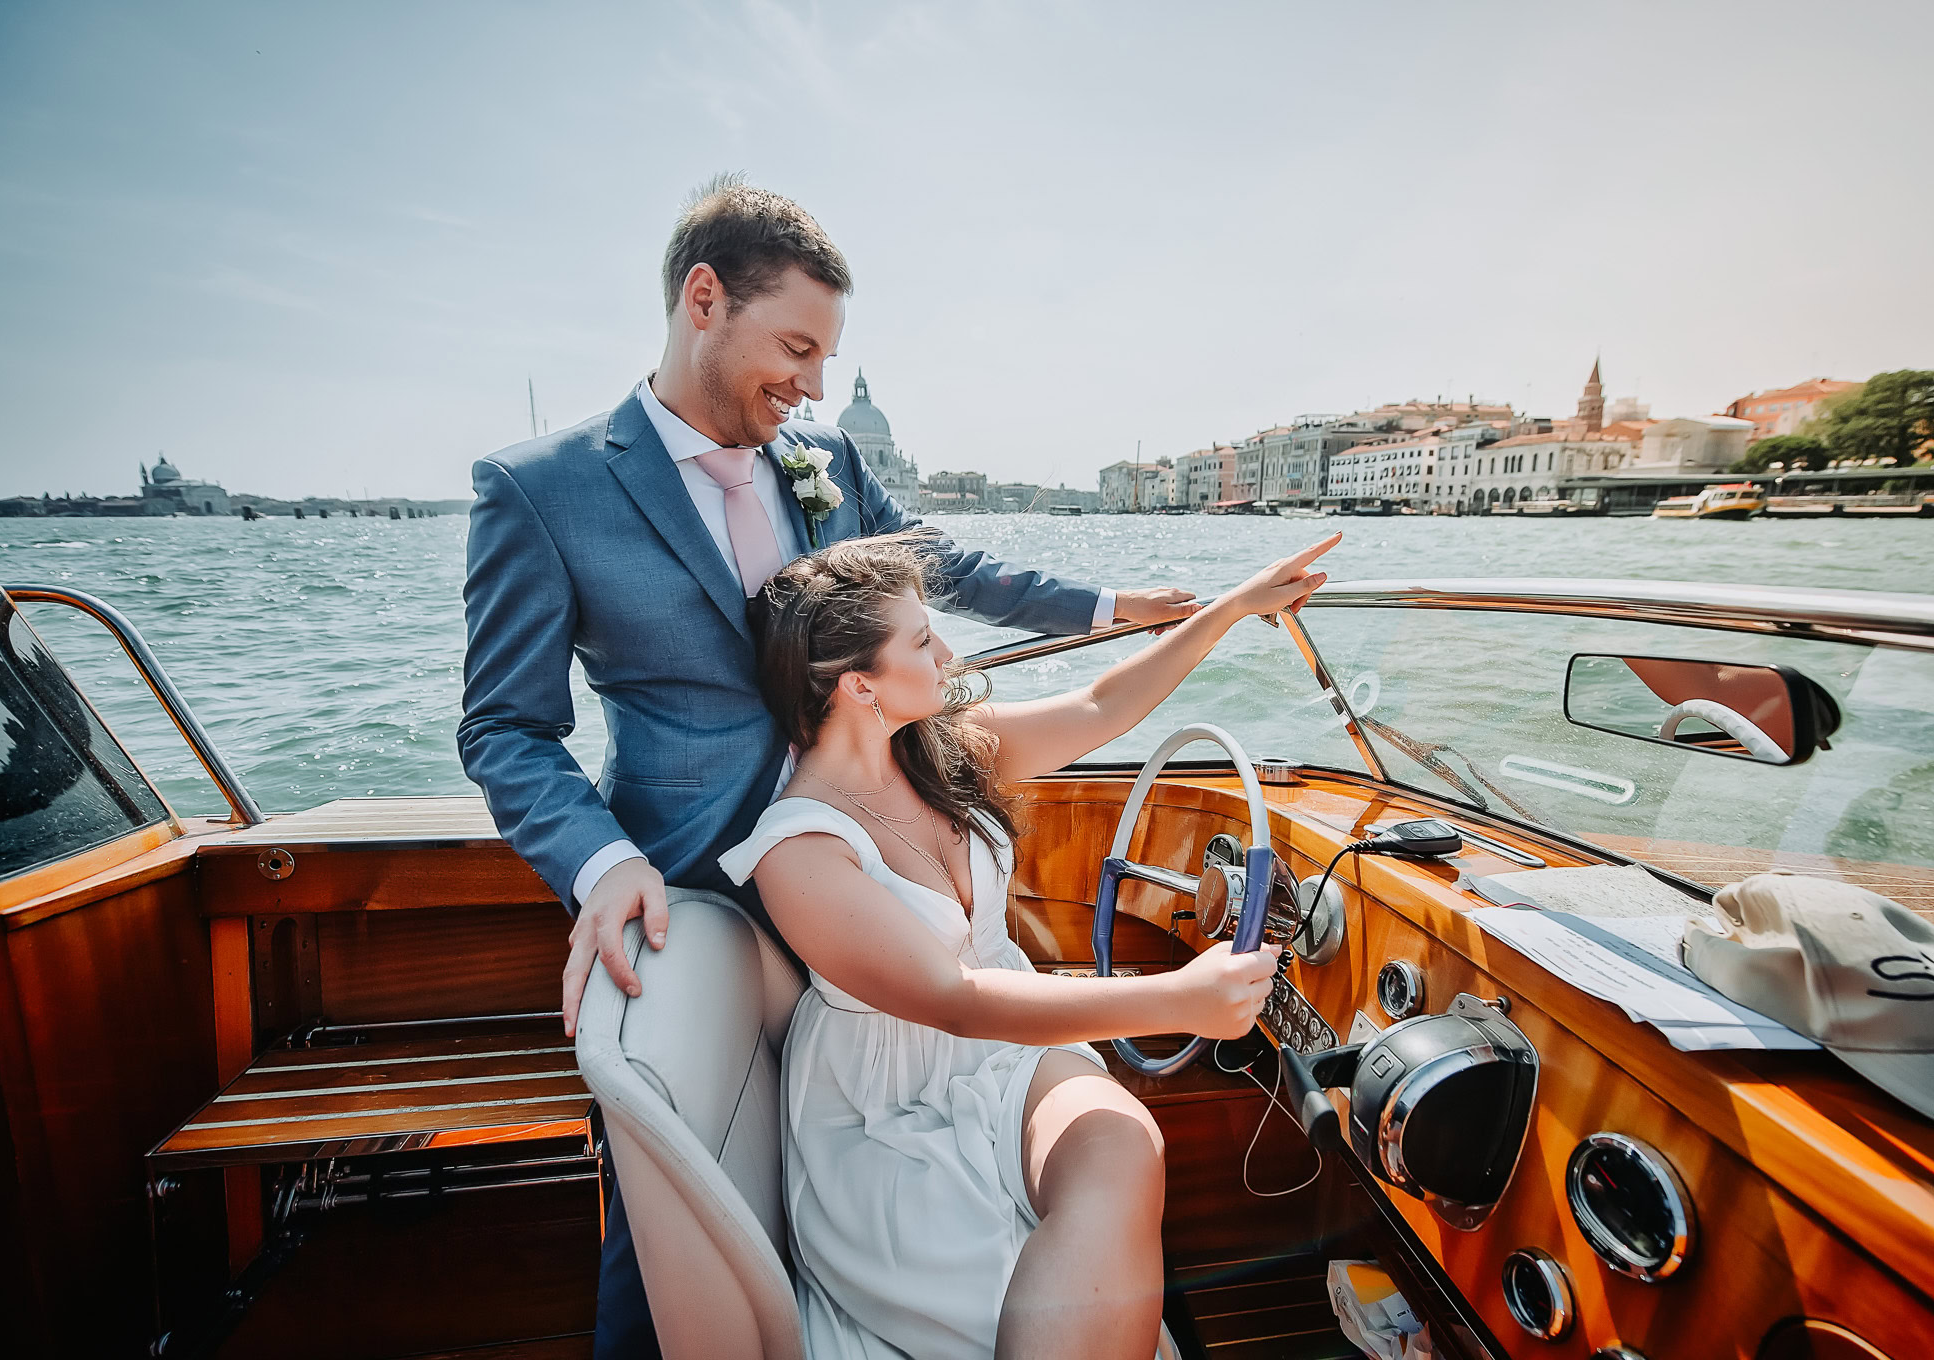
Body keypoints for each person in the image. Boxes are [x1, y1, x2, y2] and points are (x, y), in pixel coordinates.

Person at [457, 175, 1195, 1358]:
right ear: (704, 300)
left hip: (872, 871)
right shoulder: (540, 491)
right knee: (670, 1217)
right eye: (795, 347)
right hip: (699, 890)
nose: (809, 383)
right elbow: (503, 727)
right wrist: (601, 866)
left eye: (824, 355)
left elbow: (938, 563)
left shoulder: (824, 456)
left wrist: (1113, 605)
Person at [718, 529, 1339, 1360]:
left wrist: (1229, 607)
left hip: (1005, 1049)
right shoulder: (799, 850)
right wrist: (1180, 997)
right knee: (994, 1301)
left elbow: (1099, 707)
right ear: (857, 683)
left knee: (1123, 1144)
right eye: (922, 638)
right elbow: (954, 999)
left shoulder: (943, 752)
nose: (949, 650)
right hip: (890, 1095)